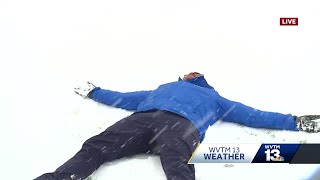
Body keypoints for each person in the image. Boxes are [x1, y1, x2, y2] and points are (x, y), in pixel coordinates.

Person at [35, 72, 320, 180]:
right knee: (177, 166)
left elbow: (124, 98)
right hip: (178, 129)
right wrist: (296, 122)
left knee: (96, 149)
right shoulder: (212, 99)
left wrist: (95, 91)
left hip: (147, 122)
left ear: (192, 80)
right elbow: (252, 115)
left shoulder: (201, 94)